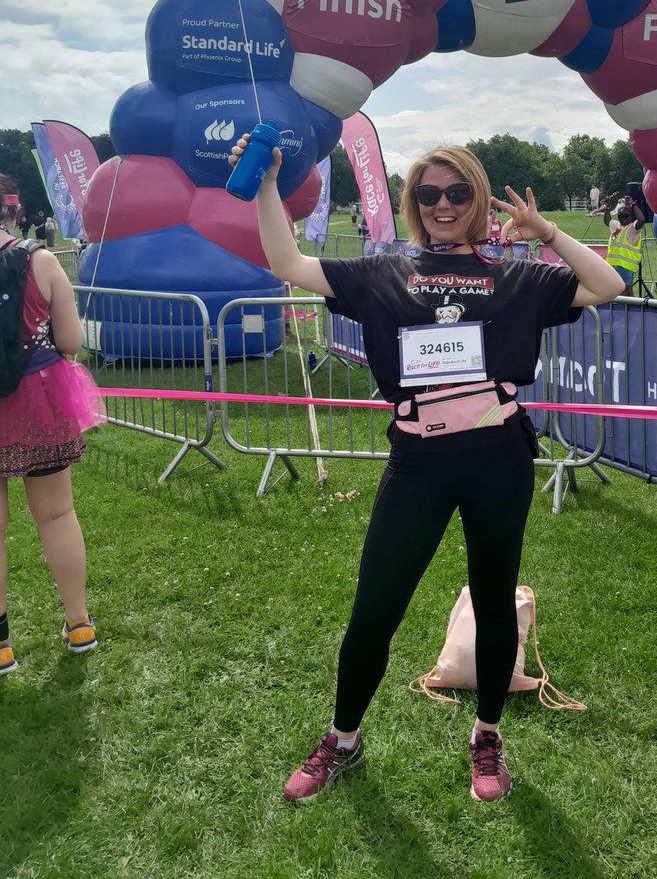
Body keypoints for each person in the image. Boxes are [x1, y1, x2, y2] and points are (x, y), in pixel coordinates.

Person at [230, 137, 624, 803]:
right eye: (429, 194)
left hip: (497, 458)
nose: (444, 205)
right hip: (418, 461)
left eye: (458, 192)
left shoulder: (514, 276)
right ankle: (342, 739)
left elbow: (608, 285)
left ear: (478, 198)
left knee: (494, 603)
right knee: (374, 610)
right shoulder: (385, 273)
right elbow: (286, 262)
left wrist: (547, 233)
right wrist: (268, 184)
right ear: (413, 204)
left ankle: (487, 735)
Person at [0, 178, 105, 676]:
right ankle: (78, 623)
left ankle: (1, 644)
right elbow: (70, 342)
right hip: (37, 398)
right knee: (57, 514)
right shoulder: (41, 260)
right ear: (14, 212)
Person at [601, 192, 645, 296]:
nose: (623, 218)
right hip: (613, 265)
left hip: (626, 266)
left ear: (631, 216)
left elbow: (641, 220)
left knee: (626, 292)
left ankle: (632, 307)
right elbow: (607, 221)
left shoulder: (632, 228)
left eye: (626, 215)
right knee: (616, 292)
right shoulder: (617, 226)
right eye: (620, 216)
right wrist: (607, 207)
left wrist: (633, 205)